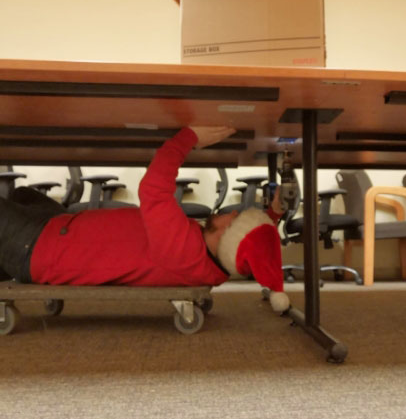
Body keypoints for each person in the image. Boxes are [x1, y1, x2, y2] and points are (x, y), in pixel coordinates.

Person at [0, 127, 290, 312]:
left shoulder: (182, 248)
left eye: (235, 219)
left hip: (40, 249)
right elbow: (253, 246)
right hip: (58, 229)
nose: (233, 213)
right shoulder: (206, 258)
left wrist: (189, 137)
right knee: (24, 194)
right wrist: (273, 214)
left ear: (227, 239)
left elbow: (153, 187)